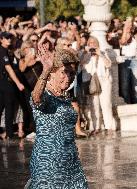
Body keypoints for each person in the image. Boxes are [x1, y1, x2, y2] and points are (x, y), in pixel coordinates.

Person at [27, 45, 88, 188]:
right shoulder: (45, 95)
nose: (68, 77)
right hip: (48, 162)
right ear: (52, 73)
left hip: (71, 160)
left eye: (72, 73)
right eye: (64, 72)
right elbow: (36, 98)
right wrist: (45, 70)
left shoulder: (65, 95)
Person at [0, 32, 25, 139]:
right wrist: (18, 83)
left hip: (4, 83)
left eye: (10, 37)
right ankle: (9, 134)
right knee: (8, 108)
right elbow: (8, 68)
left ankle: (8, 133)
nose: (9, 39)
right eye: (6, 38)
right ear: (1, 39)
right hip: (5, 83)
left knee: (3, 107)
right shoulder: (2, 51)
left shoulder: (8, 51)